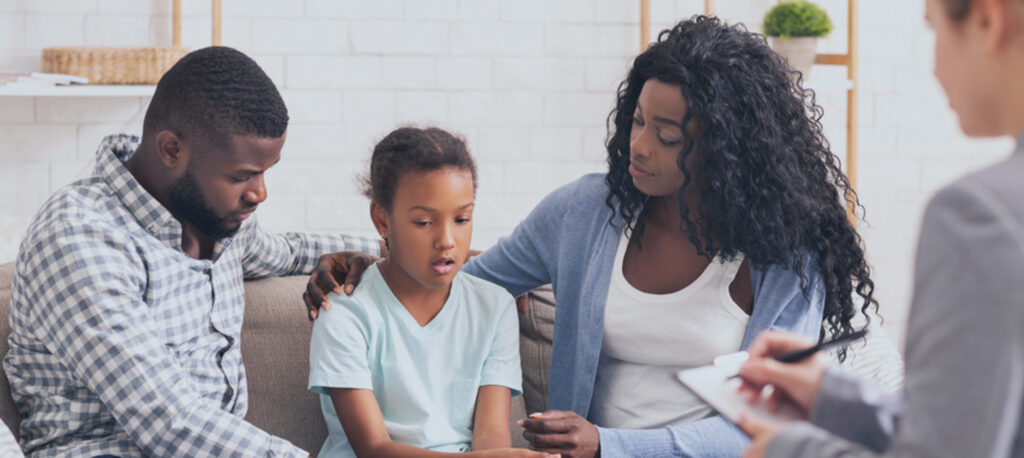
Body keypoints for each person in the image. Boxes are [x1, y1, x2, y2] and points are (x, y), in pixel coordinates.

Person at [306, 16, 878, 457]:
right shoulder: (586, 211)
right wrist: (360, 261)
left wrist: (611, 445)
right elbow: (456, 284)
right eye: (637, 120)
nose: (640, 146)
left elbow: (766, 421)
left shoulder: (784, 255)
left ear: (726, 149)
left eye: (668, 134)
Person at [3, 47, 379, 457]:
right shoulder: (78, 237)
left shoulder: (217, 220)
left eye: (265, 171)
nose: (260, 193)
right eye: (242, 176)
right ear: (170, 150)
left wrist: (392, 248)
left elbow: (289, 251)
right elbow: (168, 420)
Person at [735, 0, 1024, 456]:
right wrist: (832, 394)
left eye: (934, 32)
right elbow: (973, 426)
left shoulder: (980, 215)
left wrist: (787, 449)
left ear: (987, 20)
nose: (933, 67)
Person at [308, 127, 552, 458]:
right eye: (424, 222)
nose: (447, 240)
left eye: (462, 218)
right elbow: (373, 449)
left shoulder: (494, 306)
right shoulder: (346, 313)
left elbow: (491, 436)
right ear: (382, 219)